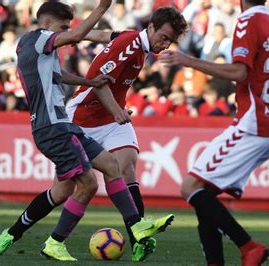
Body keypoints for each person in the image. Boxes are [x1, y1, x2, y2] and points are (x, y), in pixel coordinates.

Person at [0, 1, 174, 261]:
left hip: (63, 124)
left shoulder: (38, 49)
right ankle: (39, 238)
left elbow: (59, 71)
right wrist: (102, 8)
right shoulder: (39, 38)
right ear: (48, 24)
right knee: (81, 186)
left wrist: (88, 81)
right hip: (52, 126)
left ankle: (136, 225)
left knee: (112, 165)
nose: (69, 35)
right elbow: (76, 36)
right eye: (63, 27)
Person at [159, 0, 269, 264]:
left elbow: (239, 71)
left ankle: (249, 246)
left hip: (251, 124)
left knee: (189, 186)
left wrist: (187, 60)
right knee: (204, 195)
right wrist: (268, 104)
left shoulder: (249, 21)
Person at [66, 6, 187, 261]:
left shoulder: (136, 41)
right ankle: (23, 233)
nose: (165, 45)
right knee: (63, 189)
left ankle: (138, 240)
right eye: (163, 37)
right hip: (83, 117)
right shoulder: (131, 45)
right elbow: (100, 79)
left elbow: (107, 35)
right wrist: (117, 111)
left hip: (111, 117)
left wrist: (79, 34)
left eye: (170, 41)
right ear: (151, 26)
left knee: (128, 166)